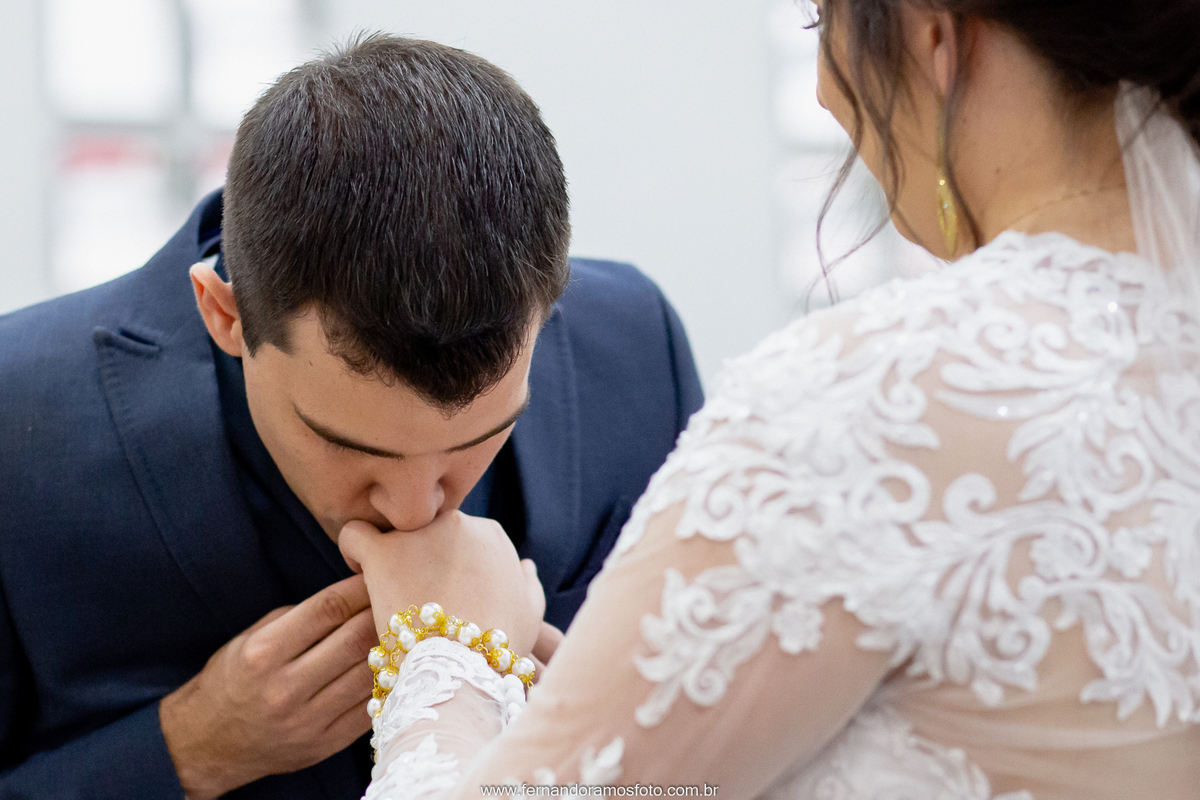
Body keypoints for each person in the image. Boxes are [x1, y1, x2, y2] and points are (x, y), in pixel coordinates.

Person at [341, 2, 1200, 798]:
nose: (827, 91)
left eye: (824, 17)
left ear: (934, 32)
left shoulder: (877, 402)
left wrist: (448, 646)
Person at [0, 35, 703, 799]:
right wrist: (194, 746)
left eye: (475, 442)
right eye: (347, 445)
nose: (415, 511)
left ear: (547, 310)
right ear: (224, 313)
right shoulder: (18, 414)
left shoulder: (636, 345)